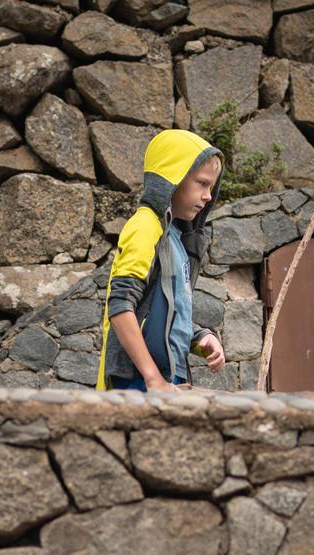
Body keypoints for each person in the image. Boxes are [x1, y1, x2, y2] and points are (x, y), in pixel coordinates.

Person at [95, 128, 227, 392]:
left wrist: (200, 337)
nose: (208, 196)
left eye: (211, 187)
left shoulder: (176, 239)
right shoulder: (145, 227)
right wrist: (152, 378)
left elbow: (163, 315)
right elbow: (121, 308)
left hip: (166, 378)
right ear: (172, 180)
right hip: (138, 381)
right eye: (202, 183)